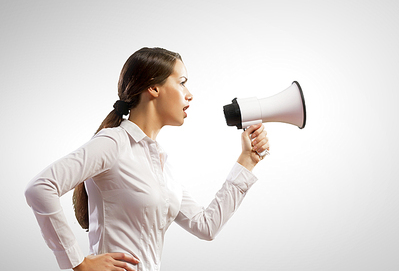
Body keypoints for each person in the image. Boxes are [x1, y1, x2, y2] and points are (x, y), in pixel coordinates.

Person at [25, 47, 270, 271]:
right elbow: (41, 187)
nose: (190, 94)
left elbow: (206, 226)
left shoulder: (162, 166)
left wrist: (247, 161)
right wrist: (78, 262)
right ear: (153, 88)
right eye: (182, 83)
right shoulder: (113, 142)